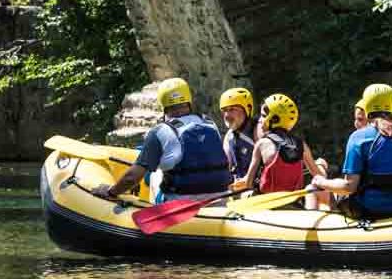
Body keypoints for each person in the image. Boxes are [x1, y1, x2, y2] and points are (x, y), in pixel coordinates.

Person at [90, 77, 231, 202]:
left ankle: (153, 203)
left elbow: (131, 178)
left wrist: (110, 191)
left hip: (181, 204)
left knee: (155, 174)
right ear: (189, 101)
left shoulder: (160, 131)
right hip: (221, 199)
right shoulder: (210, 124)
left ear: (162, 105)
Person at [309, 83, 392, 220]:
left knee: (333, 192)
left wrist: (321, 182)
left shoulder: (358, 137)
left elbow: (349, 187)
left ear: (367, 106)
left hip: (371, 209)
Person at [235, 93, 331, 209]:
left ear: (273, 119)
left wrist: (237, 184)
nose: (260, 120)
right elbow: (318, 175)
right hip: (292, 203)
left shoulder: (262, 143)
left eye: (263, 115)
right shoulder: (301, 145)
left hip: (265, 203)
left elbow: (248, 183)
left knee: (243, 195)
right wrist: (321, 165)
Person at [218, 87, 256, 186]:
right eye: (224, 110)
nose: (227, 115)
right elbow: (226, 166)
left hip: (257, 187)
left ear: (247, 109)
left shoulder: (258, 130)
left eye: (232, 109)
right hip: (238, 187)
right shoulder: (229, 136)